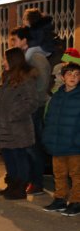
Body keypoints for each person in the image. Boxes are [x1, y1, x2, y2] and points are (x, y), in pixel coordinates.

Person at [10, 26, 51, 195]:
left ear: (24, 40)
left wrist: (30, 103)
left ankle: (37, 182)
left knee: (32, 147)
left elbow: (42, 85)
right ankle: (28, 179)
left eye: (14, 39)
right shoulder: (26, 58)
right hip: (26, 108)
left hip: (34, 108)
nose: (12, 43)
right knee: (26, 146)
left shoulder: (36, 58)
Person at [0, 47, 38, 200]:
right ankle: (11, 186)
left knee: (19, 157)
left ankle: (20, 189)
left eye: (6, 59)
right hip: (4, 126)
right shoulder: (6, 77)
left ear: (13, 61)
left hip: (17, 127)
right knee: (9, 157)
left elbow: (32, 102)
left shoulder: (26, 78)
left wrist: (13, 114)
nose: (3, 62)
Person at [41, 62, 80, 216]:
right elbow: (49, 118)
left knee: (76, 175)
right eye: (69, 74)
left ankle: (76, 202)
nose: (73, 77)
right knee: (59, 173)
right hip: (57, 143)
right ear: (63, 77)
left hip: (74, 145)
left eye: (77, 75)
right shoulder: (57, 96)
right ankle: (60, 199)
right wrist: (47, 137)